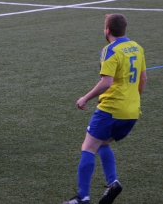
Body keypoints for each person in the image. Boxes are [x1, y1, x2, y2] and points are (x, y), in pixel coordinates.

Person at [63, 14, 147, 204]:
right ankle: (113, 182)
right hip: (132, 111)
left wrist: (85, 98)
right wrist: (133, 99)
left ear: (107, 30)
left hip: (110, 109)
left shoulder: (110, 50)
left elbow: (106, 82)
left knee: (88, 147)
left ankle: (82, 197)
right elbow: (143, 79)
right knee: (103, 143)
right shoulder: (137, 47)